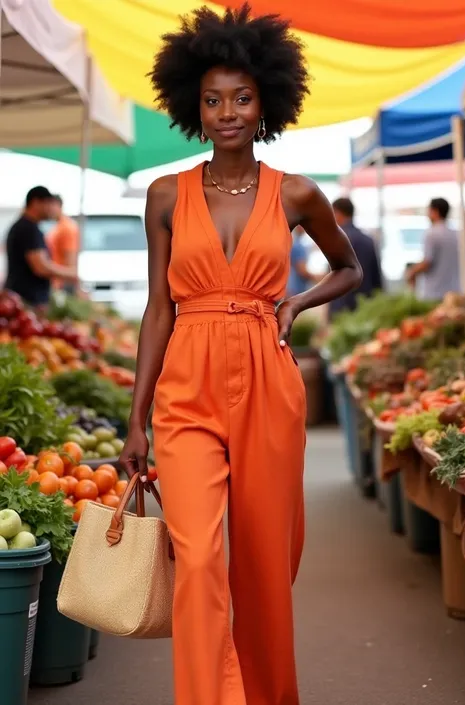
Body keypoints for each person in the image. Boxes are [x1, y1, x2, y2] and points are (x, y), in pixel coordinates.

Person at [120, 6, 362, 705]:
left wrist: (295, 302)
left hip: (267, 379)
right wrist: (136, 422)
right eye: (213, 99)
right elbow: (157, 307)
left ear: (267, 102)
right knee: (197, 557)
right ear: (193, 105)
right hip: (186, 384)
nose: (227, 111)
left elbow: (348, 269)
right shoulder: (166, 194)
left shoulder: (296, 193)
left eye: (241, 97)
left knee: (262, 564)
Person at [5, 186, 78, 309]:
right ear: (36, 203)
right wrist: (70, 273)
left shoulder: (27, 226)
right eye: (47, 203)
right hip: (26, 302)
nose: (50, 208)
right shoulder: (28, 229)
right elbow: (41, 267)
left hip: (24, 300)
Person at [329, 197, 383, 318]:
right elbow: (377, 277)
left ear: (337, 213)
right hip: (365, 303)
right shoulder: (368, 240)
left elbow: (332, 277)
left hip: (341, 304)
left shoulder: (336, 240)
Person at [406, 198, 465, 299]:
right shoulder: (457, 234)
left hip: (434, 293)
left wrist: (412, 272)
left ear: (435, 211)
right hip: (455, 292)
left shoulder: (431, 234)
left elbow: (427, 262)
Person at [47, 195, 80, 294]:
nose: (48, 209)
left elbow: (70, 260)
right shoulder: (58, 227)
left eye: (50, 205)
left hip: (61, 284)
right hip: (56, 282)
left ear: (58, 205)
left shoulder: (67, 228)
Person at [287, 225, 322, 296]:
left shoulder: (291, 242)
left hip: (290, 289)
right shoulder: (298, 245)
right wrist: (320, 279)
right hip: (296, 290)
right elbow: (302, 270)